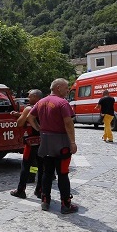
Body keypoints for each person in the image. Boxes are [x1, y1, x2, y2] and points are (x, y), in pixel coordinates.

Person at [27, 78, 79, 214]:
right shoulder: (62, 103)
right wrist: (72, 142)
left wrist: (39, 129)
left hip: (45, 142)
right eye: (66, 87)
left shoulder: (40, 102)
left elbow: (30, 118)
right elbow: (68, 123)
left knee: (46, 172)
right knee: (62, 173)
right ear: (58, 88)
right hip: (61, 143)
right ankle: (66, 204)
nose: (68, 90)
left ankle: (45, 200)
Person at [9, 89, 44, 199]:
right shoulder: (45, 107)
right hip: (43, 141)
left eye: (29, 96)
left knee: (25, 165)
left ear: (34, 96)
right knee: (41, 166)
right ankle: (39, 189)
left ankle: (21, 190)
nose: (28, 98)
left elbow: (20, 123)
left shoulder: (29, 108)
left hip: (31, 141)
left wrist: (20, 116)